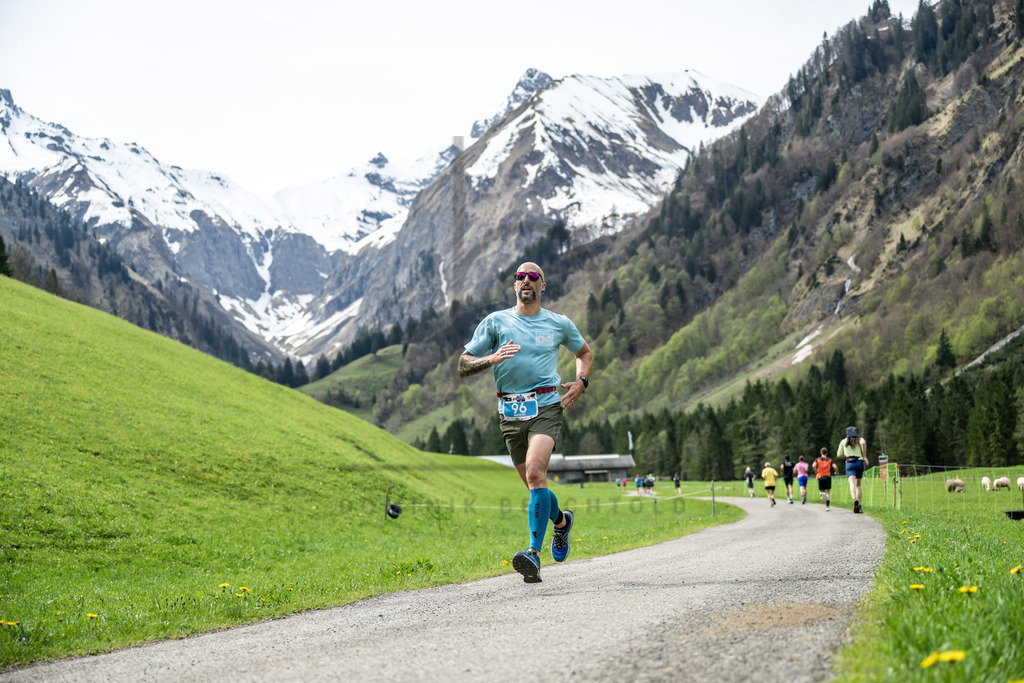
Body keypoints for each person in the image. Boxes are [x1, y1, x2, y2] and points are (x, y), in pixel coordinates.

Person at [458, 262, 593, 583]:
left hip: (546, 406)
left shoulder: (559, 323)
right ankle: (561, 523)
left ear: (543, 286)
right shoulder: (496, 322)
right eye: (520, 277)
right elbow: (463, 365)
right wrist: (491, 358)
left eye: (533, 277)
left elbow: (584, 354)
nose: (526, 281)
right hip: (509, 413)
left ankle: (533, 554)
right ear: (514, 285)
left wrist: (581, 382)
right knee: (536, 486)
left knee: (535, 472)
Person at [837, 426, 869, 513]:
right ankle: (859, 506)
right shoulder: (859, 439)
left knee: (852, 483)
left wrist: (845, 454)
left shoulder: (843, 441)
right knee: (858, 485)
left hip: (849, 463)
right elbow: (863, 443)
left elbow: (838, 455)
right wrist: (864, 457)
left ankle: (854, 499)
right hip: (859, 462)